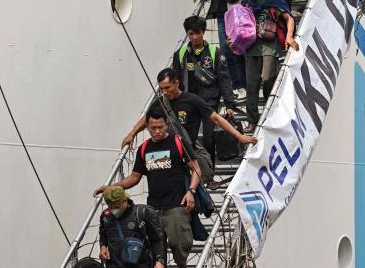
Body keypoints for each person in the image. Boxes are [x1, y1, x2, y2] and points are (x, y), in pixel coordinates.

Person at [95, 108, 201, 268]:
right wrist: (110, 187)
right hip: (153, 209)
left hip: (176, 206)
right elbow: (134, 178)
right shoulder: (144, 148)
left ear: (166, 124)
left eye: (161, 127)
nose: (157, 131)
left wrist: (191, 191)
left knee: (180, 248)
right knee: (156, 252)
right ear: (147, 127)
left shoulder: (178, 142)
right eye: (153, 128)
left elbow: (196, 169)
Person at [122, 69, 256, 151]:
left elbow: (216, 118)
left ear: (177, 83)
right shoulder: (161, 102)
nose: (164, 92)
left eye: (167, 87)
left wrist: (239, 136)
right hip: (168, 152)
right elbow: (146, 118)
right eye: (161, 89)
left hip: (188, 152)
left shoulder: (192, 100)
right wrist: (132, 134)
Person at [171, 15, 236, 184]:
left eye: (197, 33)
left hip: (209, 102)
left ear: (203, 32)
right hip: (188, 103)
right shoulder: (180, 54)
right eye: (191, 34)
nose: (194, 37)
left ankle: (209, 176)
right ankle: (190, 175)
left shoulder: (215, 53)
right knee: (187, 140)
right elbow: (175, 79)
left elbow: (224, 78)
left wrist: (229, 104)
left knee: (209, 139)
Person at [236, 0, 299, 133]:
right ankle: (252, 120)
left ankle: (271, 115)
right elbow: (239, 23)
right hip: (251, 45)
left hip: (270, 44)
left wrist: (289, 36)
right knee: (251, 84)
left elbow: (288, 17)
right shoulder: (246, 2)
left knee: (268, 78)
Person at [98, 186, 166, 268]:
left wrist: (160, 261)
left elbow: (157, 239)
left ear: (125, 201)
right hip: (114, 264)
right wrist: (103, 246)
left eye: (117, 207)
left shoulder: (141, 213)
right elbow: (103, 234)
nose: (114, 210)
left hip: (141, 264)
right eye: (110, 207)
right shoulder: (106, 216)